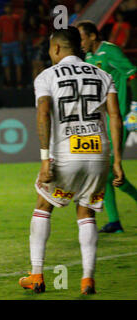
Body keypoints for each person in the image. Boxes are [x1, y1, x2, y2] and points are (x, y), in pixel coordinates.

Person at [19, 26, 124, 295]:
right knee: (86, 211)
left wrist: (45, 159)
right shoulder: (103, 75)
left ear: (56, 49)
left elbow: (43, 113)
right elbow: (115, 116)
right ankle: (87, 279)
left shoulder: (46, 76)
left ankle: (36, 275)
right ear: (79, 47)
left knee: (44, 205)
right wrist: (117, 160)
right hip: (98, 152)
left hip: (67, 153)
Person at [77, 21, 137, 233]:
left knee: (108, 172)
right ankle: (115, 222)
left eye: (82, 38)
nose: (80, 43)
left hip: (119, 117)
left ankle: (114, 221)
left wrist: (135, 107)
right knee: (109, 172)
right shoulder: (89, 58)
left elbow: (133, 73)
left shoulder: (110, 51)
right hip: (103, 119)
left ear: (93, 36)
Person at [0, 2, 23, 88]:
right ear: (4, 9)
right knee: (6, 65)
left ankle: (19, 82)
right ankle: (8, 82)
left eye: (9, 7)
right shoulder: (1, 19)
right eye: (6, 8)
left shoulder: (16, 18)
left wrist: (20, 43)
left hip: (15, 43)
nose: (8, 9)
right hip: (5, 44)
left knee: (18, 64)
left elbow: (20, 31)